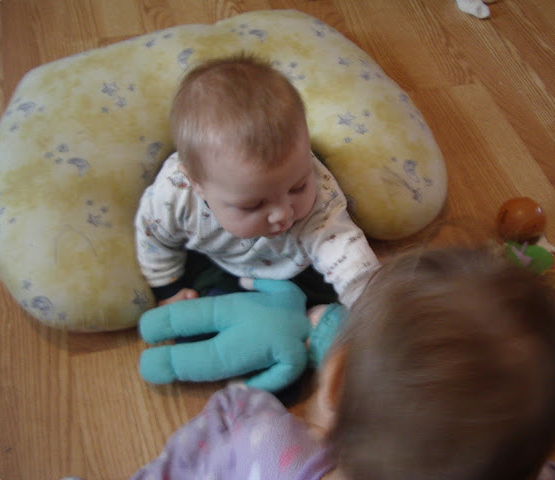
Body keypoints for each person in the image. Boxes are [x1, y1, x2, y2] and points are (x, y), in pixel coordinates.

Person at [129, 247, 555, 480]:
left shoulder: (267, 448)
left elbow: (226, 422)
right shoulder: (528, 467)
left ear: (336, 379)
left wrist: (251, 405)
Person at [134, 53, 379, 310]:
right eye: (253, 205)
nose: (283, 214)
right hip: (223, 263)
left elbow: (345, 252)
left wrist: (370, 304)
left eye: (298, 187)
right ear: (197, 184)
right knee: (206, 303)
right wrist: (168, 288)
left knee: (329, 298)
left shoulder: (319, 192)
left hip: (299, 263)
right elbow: (154, 237)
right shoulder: (174, 195)